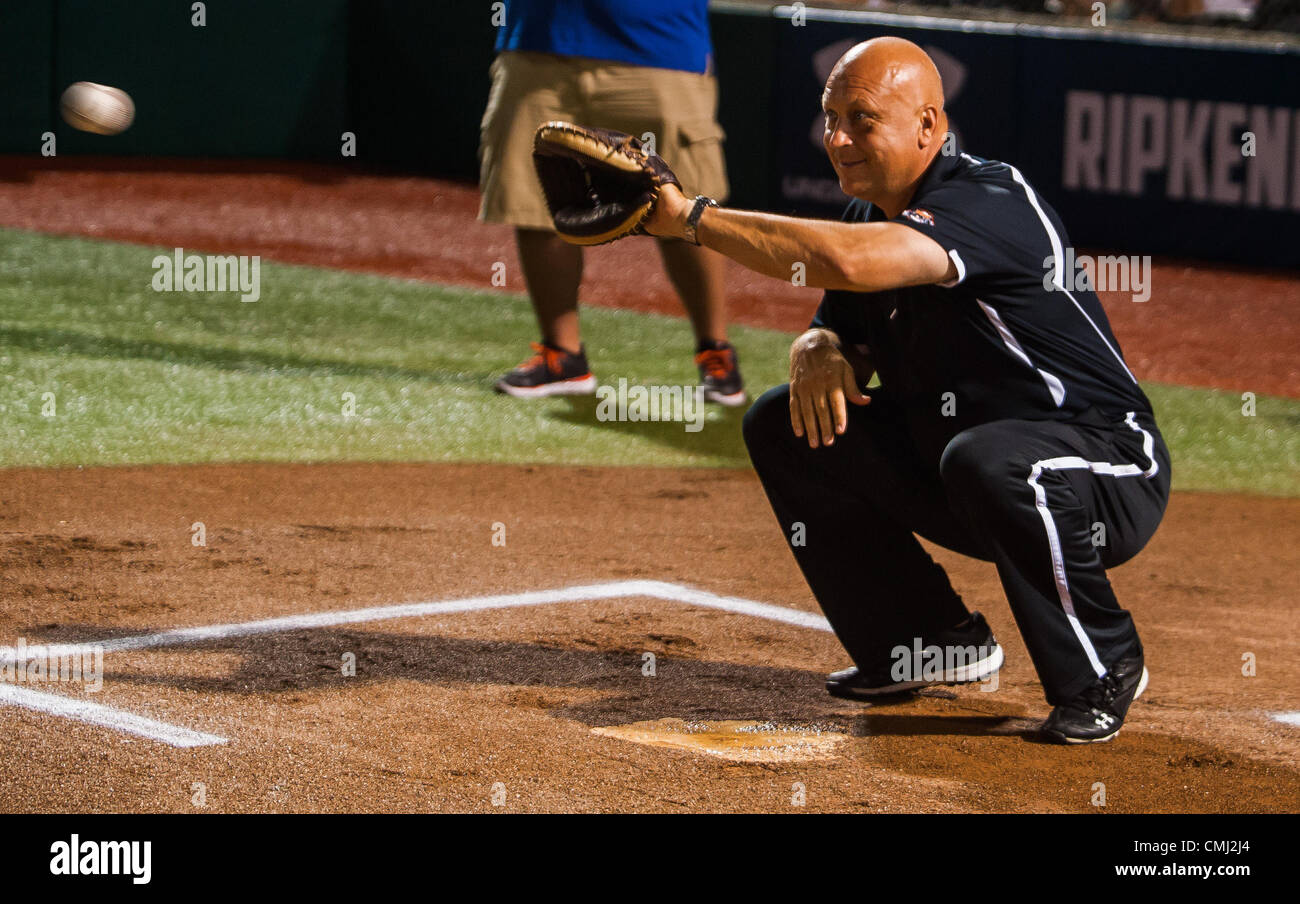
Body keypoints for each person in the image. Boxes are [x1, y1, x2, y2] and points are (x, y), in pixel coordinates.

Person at [643, 37, 1172, 744]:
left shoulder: (989, 198)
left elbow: (841, 261)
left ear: (928, 126)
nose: (837, 138)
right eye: (830, 117)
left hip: (1104, 467)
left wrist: (690, 218)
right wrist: (818, 345)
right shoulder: (872, 214)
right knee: (786, 425)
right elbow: (840, 328)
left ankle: (1105, 664)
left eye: (862, 119)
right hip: (970, 466)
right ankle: (926, 641)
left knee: (989, 457)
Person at [479, 0, 745, 405]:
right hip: (539, 39)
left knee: (683, 205)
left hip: (659, 42)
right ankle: (562, 356)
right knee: (539, 201)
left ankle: (716, 350)